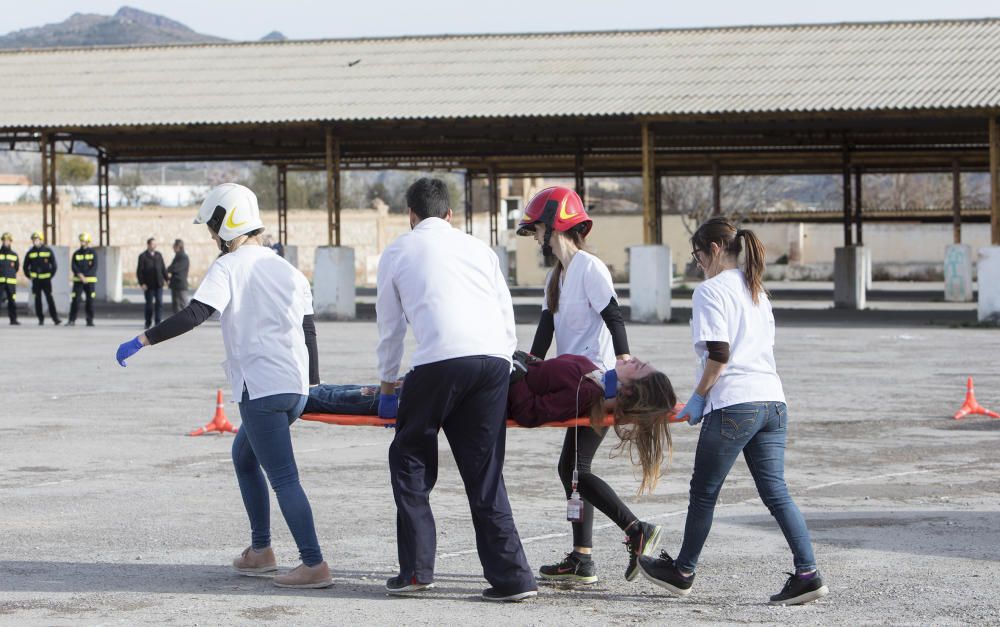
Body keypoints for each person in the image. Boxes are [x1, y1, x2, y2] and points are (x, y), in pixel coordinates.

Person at [115, 183, 331, 589]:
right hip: (294, 388)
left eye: (212, 229)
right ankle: (260, 551)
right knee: (244, 455)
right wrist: (312, 384)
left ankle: (314, 563)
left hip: (262, 390)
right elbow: (309, 329)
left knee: (283, 477)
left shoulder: (229, 267)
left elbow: (195, 314)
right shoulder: (287, 268)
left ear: (225, 223)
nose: (212, 237)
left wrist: (143, 339)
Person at [638, 217, 829, 606]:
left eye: (697, 256)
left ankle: (683, 571)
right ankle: (807, 573)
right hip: (773, 402)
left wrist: (699, 397)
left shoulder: (710, 291)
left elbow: (719, 354)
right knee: (776, 492)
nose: (697, 265)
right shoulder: (757, 288)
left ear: (712, 250)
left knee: (704, 493)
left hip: (734, 403)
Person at [375, 177, 536, 602]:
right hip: (493, 363)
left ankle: (416, 572)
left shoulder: (397, 251)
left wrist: (388, 386)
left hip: (438, 362)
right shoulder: (480, 250)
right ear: (450, 215)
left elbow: (390, 329)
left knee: (409, 456)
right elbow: (505, 313)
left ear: (411, 215)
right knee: (484, 472)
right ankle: (514, 579)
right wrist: (505, 364)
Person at [516, 186, 651, 585]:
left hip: (599, 382)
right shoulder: (556, 277)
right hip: (572, 382)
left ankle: (634, 529)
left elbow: (614, 315)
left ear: (554, 224)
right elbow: (545, 328)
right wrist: (529, 365)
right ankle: (582, 556)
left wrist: (624, 362)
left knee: (575, 469)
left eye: (537, 228)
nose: (535, 237)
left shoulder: (591, 268)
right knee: (571, 468)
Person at [23, 231, 60, 326]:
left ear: (41, 240)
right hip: (36, 281)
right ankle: (40, 319)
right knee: (37, 300)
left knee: (49, 299)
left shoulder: (48, 251)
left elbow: (54, 265)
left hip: (46, 281)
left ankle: (55, 318)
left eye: (37, 239)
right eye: (33, 240)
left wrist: (50, 275)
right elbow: (25, 266)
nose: (35, 241)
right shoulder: (30, 252)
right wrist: (29, 276)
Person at [136, 237, 168, 329]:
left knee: (159, 303)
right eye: (153, 244)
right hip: (148, 285)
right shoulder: (142, 256)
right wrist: (142, 283)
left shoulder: (159, 255)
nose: (154, 246)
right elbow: (139, 271)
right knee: (149, 305)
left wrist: (167, 279)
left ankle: (158, 322)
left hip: (159, 284)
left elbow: (163, 268)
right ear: (148, 245)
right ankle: (148, 322)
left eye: (155, 244)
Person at [67, 232, 98, 327]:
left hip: (90, 281)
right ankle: (72, 320)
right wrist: (80, 275)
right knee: (75, 300)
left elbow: (94, 267)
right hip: (78, 281)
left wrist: (86, 277)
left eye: (84, 241)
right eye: (81, 241)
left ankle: (90, 320)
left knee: (90, 301)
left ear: (88, 242)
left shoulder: (93, 253)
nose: (82, 243)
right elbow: (73, 266)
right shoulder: (76, 253)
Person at [0, 232, 20, 325]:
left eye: (8, 240)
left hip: (11, 283)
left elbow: (16, 267)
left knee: (12, 302)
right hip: (0, 282)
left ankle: (13, 320)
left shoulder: (14, 255)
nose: (6, 242)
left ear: (10, 242)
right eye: (4, 240)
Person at [167, 239, 190, 314]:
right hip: (175, 285)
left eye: (174, 246)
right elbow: (171, 268)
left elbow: (174, 268)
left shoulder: (183, 257)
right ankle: (178, 323)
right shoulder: (178, 256)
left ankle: (187, 323)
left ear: (178, 247)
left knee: (184, 305)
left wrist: (168, 269)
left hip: (180, 285)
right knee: (176, 306)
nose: (173, 248)